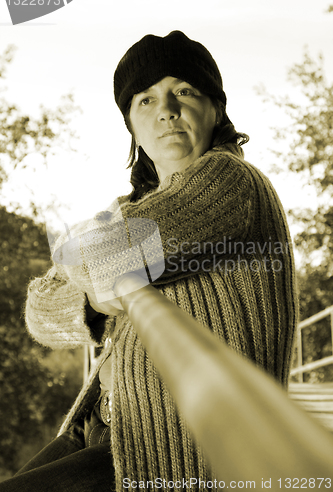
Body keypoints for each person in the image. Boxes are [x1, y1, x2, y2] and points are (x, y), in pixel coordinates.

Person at [0, 31, 298, 491]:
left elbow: (97, 253)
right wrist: (97, 301)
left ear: (215, 109)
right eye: (146, 100)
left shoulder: (231, 182)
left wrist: (88, 267)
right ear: (132, 125)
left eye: (184, 91)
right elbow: (39, 315)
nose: (166, 110)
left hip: (172, 452)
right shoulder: (131, 206)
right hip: (99, 427)